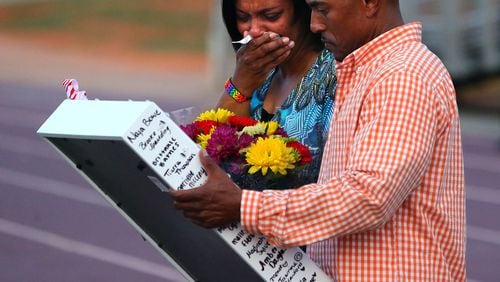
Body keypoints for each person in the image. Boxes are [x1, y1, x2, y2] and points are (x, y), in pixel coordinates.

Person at [171, 0, 466, 280]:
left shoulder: (403, 75)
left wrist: (244, 207)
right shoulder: (363, 70)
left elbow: (369, 195)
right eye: (243, 17)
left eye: (322, 9)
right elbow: (215, 144)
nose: (314, 24)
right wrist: (241, 84)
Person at [216, 0, 337, 188]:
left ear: (304, 14)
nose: (254, 30)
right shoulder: (256, 69)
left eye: (271, 16)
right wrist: (239, 85)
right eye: (243, 18)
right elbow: (217, 148)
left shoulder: (334, 74)